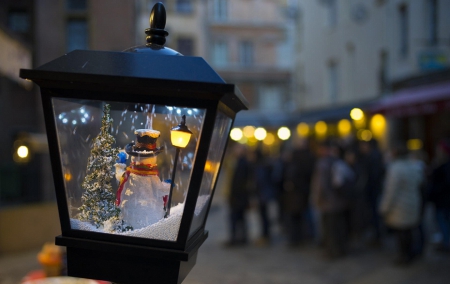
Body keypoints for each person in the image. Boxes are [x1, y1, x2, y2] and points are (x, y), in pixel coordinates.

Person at [379, 143, 423, 265]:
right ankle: (410, 253)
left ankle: (404, 257)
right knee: (409, 231)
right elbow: (420, 181)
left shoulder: (395, 168)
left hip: (399, 207)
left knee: (401, 234)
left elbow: (391, 191)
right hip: (412, 202)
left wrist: (384, 208)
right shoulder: (413, 165)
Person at [311, 139, 354, 258]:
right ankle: (340, 249)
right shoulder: (339, 162)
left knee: (330, 229)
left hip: (328, 202)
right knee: (339, 227)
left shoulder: (323, 163)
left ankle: (332, 251)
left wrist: (317, 200)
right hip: (339, 201)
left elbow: (320, 185)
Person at [281, 138, 315, 247]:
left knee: (298, 217)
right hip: (298, 194)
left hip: (298, 194)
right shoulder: (304, 159)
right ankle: (301, 237)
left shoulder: (300, 161)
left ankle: (299, 238)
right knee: (298, 217)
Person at [225, 143, 251, 246]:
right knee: (239, 218)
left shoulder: (243, 163)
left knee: (237, 218)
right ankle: (240, 238)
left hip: (238, 196)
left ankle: (237, 238)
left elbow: (239, 182)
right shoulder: (236, 161)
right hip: (238, 195)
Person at [428, 139, 450, 253]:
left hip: (443, 199)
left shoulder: (443, 166)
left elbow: (443, 183)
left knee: (442, 220)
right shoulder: (438, 164)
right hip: (442, 199)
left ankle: (446, 242)